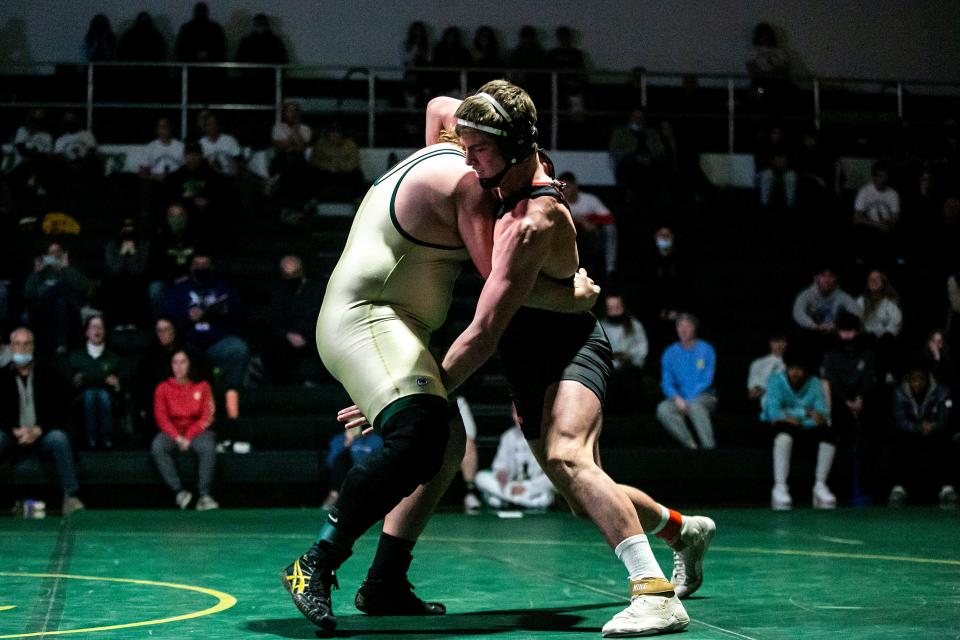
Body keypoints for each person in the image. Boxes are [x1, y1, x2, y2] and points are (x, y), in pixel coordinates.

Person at [341, 81, 713, 637]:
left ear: (517, 149)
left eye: (477, 151)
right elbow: (440, 107)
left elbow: (484, 330)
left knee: (568, 458)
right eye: (463, 147)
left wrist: (411, 402)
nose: (463, 162)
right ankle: (683, 531)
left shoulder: (534, 219)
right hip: (524, 351)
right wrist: (478, 120)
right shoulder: (491, 163)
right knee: (579, 493)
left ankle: (654, 593)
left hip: (568, 347)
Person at [280, 80, 601, 633]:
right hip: (370, 318)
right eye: (472, 149)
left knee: (448, 443)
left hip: (382, 320)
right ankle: (316, 562)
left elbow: (438, 106)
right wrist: (577, 290)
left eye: (483, 151)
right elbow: (503, 291)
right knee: (423, 434)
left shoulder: (452, 137)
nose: (476, 162)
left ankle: (384, 582)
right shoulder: (474, 187)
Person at [0, 327, 84, 515]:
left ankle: (71, 497)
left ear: (33, 347)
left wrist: (38, 430)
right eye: (17, 344)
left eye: (26, 344)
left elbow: (60, 409)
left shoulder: (49, 374)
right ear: (10, 347)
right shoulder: (2, 376)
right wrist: (14, 431)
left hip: (41, 435)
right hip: (13, 435)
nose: (22, 349)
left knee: (59, 438)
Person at [160, 253, 249, 426]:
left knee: (239, 348)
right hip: (188, 344)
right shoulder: (180, 290)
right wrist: (186, 317)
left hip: (217, 341)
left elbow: (242, 316)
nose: (201, 268)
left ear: (212, 267)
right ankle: (186, 411)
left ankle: (231, 402)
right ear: (191, 267)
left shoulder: (224, 287)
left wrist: (225, 313)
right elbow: (165, 319)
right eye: (197, 264)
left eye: (205, 264)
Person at [761, 349, 836, 510]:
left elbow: (822, 414)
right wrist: (805, 412)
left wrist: (795, 416)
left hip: (805, 428)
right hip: (780, 427)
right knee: (784, 434)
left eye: (800, 369)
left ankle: (820, 485)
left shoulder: (814, 383)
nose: (795, 372)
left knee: (829, 434)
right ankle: (780, 487)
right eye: (792, 368)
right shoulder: (776, 380)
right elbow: (773, 412)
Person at [151, 349, 218, 510]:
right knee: (157, 447)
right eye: (175, 362)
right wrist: (177, 437)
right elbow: (161, 417)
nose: (179, 366)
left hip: (196, 431)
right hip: (172, 432)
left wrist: (189, 436)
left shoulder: (203, 386)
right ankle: (179, 492)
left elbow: (207, 415)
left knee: (208, 447)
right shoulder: (162, 388)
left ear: (190, 364)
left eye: (183, 362)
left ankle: (204, 495)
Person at [887, 361, 956, 509]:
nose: (917, 383)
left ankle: (946, 487)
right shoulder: (900, 392)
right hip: (911, 432)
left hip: (934, 432)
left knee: (945, 440)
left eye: (921, 379)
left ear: (927, 379)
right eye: (914, 379)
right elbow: (900, 420)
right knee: (897, 439)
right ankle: (899, 488)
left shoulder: (942, 391)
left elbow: (944, 419)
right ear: (908, 379)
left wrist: (932, 426)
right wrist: (918, 427)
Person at [474, 404, 554, 509]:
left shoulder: (545, 435)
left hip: (532, 485)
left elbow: (549, 470)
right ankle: (527, 501)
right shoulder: (508, 437)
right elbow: (500, 467)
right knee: (481, 477)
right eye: (516, 413)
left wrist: (527, 487)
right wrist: (502, 474)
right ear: (512, 414)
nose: (519, 417)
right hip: (510, 485)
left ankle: (507, 500)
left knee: (552, 479)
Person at [656, 313, 717, 450]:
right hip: (680, 398)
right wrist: (676, 398)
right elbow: (666, 382)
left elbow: (707, 379)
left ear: (694, 328)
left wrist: (688, 399)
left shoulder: (706, 349)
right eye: (680, 326)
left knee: (696, 406)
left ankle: (709, 448)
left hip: (704, 396)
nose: (683, 330)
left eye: (687, 326)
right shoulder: (670, 352)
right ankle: (690, 445)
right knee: (663, 409)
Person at [23, 242, 90, 355]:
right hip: (42, 309)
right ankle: (83, 309)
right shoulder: (40, 273)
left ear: (63, 254)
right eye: (51, 253)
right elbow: (27, 294)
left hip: (65, 311)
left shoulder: (68, 271)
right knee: (60, 287)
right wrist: (36, 273)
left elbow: (84, 286)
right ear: (46, 256)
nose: (54, 255)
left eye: (58, 252)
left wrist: (66, 268)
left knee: (61, 302)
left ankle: (62, 345)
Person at [267, 255, 325, 385]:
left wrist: (305, 335)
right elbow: (275, 321)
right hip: (287, 340)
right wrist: (288, 335)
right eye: (288, 275)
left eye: (295, 273)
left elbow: (320, 318)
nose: (292, 278)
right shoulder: (280, 294)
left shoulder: (317, 291)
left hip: (315, 337)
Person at [68, 315, 122, 449]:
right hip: (82, 399)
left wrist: (117, 385)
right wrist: (75, 383)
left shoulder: (114, 357)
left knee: (102, 395)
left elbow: (122, 387)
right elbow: (68, 387)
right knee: (90, 394)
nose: (97, 330)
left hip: (108, 398)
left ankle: (107, 439)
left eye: (100, 327)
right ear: (87, 332)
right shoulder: (76, 357)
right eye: (93, 327)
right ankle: (91, 439)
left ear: (104, 331)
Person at [792, 266, 861, 357]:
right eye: (823, 275)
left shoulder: (841, 295)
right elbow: (798, 312)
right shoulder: (807, 294)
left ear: (835, 279)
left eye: (831, 276)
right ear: (816, 278)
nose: (827, 280)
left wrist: (838, 325)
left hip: (834, 334)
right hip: (812, 333)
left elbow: (857, 312)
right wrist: (814, 326)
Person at [560, 171, 617, 281]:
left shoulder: (589, 200)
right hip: (571, 237)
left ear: (574, 186)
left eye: (567, 187)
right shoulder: (560, 203)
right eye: (561, 187)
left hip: (593, 235)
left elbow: (609, 218)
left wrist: (588, 221)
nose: (564, 191)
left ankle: (610, 268)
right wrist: (579, 221)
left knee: (610, 229)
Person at [600, 293, 649, 411]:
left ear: (623, 307)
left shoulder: (635, 325)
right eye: (611, 308)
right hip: (609, 368)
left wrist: (629, 356)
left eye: (617, 307)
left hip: (631, 367)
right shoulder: (601, 326)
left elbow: (642, 347)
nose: (614, 311)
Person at [856, 269, 902, 383]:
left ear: (883, 282)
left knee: (886, 340)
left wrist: (884, 333)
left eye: (877, 279)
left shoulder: (890, 301)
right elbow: (856, 319)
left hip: (884, 338)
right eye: (871, 279)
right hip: (866, 337)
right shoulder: (861, 300)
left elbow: (896, 321)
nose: (874, 281)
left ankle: (885, 373)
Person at [322, 427, 384, 509]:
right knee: (341, 461)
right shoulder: (339, 439)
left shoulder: (376, 440)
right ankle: (335, 495)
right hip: (343, 478)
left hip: (365, 477)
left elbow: (377, 463)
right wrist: (347, 444)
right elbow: (331, 463)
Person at [747, 332, 787, 405]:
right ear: (770, 343)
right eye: (776, 341)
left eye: (783, 341)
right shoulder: (758, 363)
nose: (780, 344)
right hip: (768, 409)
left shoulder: (793, 366)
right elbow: (752, 395)